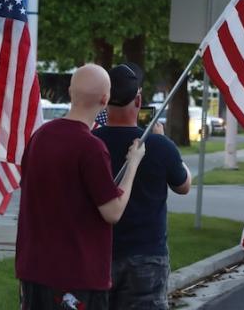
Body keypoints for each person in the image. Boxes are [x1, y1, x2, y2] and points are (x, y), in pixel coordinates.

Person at [16, 64, 146, 310]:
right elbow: (113, 211)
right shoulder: (91, 148)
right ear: (105, 99)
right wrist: (133, 164)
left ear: (70, 92)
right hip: (76, 277)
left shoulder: (40, 136)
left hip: (33, 271)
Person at [92, 63, 191, 310]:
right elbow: (183, 185)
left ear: (104, 101)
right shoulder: (159, 146)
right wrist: (164, 140)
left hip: (98, 255)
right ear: (138, 101)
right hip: (148, 257)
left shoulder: (90, 144)